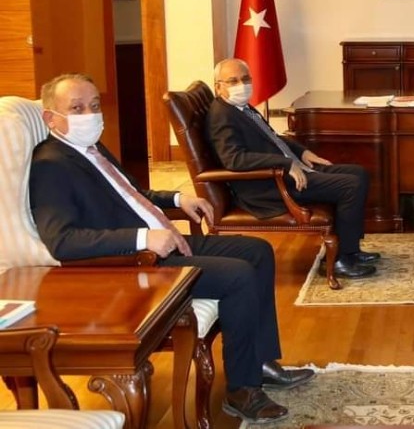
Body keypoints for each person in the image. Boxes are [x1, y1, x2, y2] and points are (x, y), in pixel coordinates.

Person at [28, 73, 314, 425]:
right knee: (238, 275)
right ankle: (242, 390)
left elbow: (132, 195)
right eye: (77, 108)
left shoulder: (91, 149)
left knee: (257, 251)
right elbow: (62, 240)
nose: (90, 115)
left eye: (94, 105)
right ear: (50, 117)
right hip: (132, 263)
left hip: (164, 242)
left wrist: (178, 198)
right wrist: (141, 239)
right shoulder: (50, 165)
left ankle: (261, 361)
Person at [207, 58, 378, 279]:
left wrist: (302, 152)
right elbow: (234, 159)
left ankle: (351, 250)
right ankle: (339, 260)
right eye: (233, 81)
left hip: (290, 170)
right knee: (350, 186)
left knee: (359, 173)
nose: (242, 85)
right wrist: (285, 163)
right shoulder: (221, 115)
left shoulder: (240, 108)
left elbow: (272, 137)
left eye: (246, 79)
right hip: (270, 184)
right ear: (218, 87)